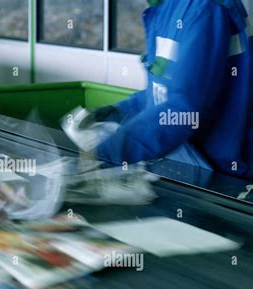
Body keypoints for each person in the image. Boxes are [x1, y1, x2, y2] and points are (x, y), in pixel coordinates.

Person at [87, 0, 252, 179]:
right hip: (191, 161)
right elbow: (166, 90)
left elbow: (182, 110)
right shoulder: (165, 8)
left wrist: (103, 153)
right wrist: (120, 110)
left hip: (221, 176)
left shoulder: (203, 9)